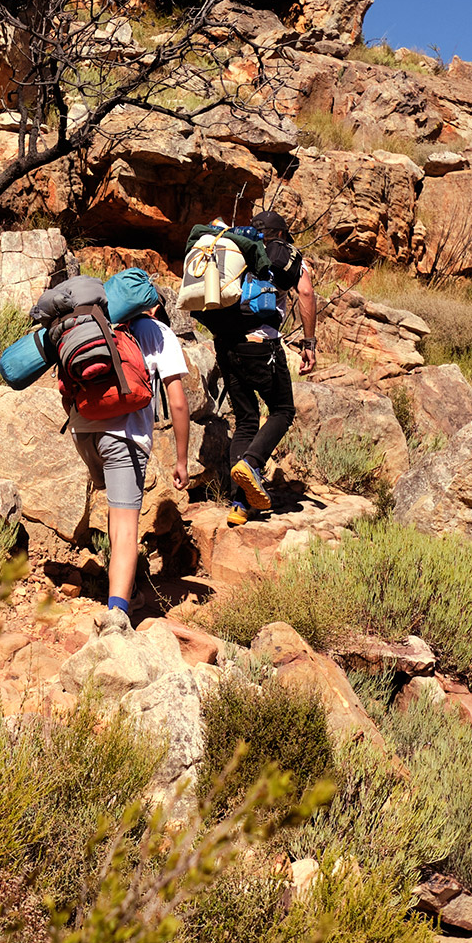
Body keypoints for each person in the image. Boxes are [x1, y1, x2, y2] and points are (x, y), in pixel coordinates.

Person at [70, 289, 193, 631]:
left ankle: (130, 586)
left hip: (84, 432)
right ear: (151, 305)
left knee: (116, 513)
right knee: (126, 527)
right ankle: (117, 615)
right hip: (123, 437)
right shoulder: (157, 330)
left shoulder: (96, 323)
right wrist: (181, 460)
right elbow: (178, 402)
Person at [210, 209, 316, 525]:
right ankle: (253, 464)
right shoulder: (285, 252)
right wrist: (309, 344)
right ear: (281, 234)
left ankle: (239, 506)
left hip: (225, 344)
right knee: (283, 410)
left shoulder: (233, 248)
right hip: (261, 345)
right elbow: (307, 292)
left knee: (245, 421)